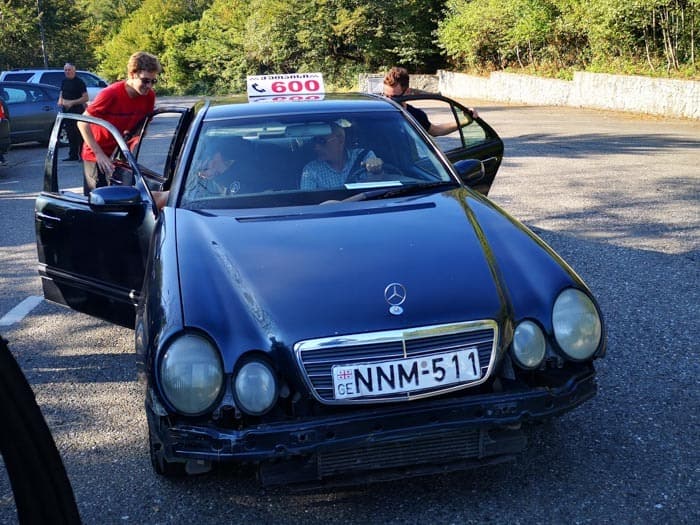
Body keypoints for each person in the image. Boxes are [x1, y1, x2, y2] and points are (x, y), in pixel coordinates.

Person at [78, 51, 162, 196]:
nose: (149, 86)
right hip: (97, 154)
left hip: (121, 155)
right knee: (98, 200)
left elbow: (142, 126)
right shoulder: (111, 94)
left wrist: (130, 148)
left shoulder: (149, 97)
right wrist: (99, 154)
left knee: (123, 198)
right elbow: (82, 122)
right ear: (132, 74)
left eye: (153, 81)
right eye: (145, 81)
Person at [382, 66, 479, 137]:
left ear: (407, 92)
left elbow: (436, 131)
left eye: (394, 97)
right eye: (385, 96)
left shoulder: (416, 115)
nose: (388, 101)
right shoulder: (374, 114)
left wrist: (464, 121)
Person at [300, 123, 384, 190]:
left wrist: (377, 171)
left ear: (340, 140)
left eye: (322, 141)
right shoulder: (311, 170)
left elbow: (378, 191)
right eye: (315, 142)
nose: (316, 147)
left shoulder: (365, 156)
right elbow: (308, 201)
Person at [57, 63, 88, 161]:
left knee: (79, 134)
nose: (67, 72)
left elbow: (85, 98)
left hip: (77, 111)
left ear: (74, 70)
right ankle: (72, 155)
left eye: (69, 70)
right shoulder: (64, 81)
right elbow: (62, 92)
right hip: (66, 111)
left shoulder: (79, 82)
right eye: (65, 70)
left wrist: (72, 103)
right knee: (70, 134)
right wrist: (60, 100)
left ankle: (82, 155)